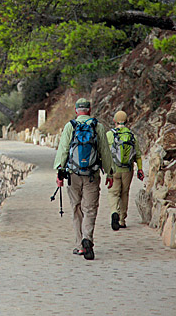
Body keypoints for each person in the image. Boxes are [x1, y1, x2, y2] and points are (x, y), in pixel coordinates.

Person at [53, 98, 114, 260]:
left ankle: (80, 245)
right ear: (90, 109)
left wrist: (60, 174)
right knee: (90, 209)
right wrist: (110, 173)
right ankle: (88, 238)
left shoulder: (70, 126)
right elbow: (105, 152)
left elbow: (63, 150)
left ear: (76, 110)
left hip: (73, 175)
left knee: (76, 208)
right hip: (92, 175)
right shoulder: (98, 126)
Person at [106, 110, 144, 231]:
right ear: (127, 121)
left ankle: (114, 212)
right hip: (127, 169)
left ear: (114, 121)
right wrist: (140, 169)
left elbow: (104, 153)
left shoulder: (109, 135)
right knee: (124, 193)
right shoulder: (132, 136)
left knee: (113, 192)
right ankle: (122, 220)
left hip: (113, 169)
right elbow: (138, 155)